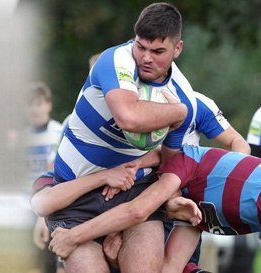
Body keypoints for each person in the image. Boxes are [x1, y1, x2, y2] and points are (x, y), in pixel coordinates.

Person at [48, 3, 199, 272]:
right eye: (141, 46)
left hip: (133, 193)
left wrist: (170, 199)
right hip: (75, 193)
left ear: (178, 49)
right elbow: (128, 118)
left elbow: (169, 164)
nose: (146, 58)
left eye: (158, 51)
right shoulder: (115, 60)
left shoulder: (184, 95)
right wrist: (177, 112)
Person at [48, 144, 261, 273]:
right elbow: (137, 211)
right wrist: (75, 238)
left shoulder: (192, 203)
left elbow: (138, 211)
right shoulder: (186, 171)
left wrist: (73, 237)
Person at [21, 82, 64, 273]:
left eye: (38, 104)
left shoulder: (58, 132)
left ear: (48, 104)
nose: (34, 109)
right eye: (30, 104)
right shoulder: (22, 137)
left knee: (52, 256)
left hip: (51, 201)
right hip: (27, 204)